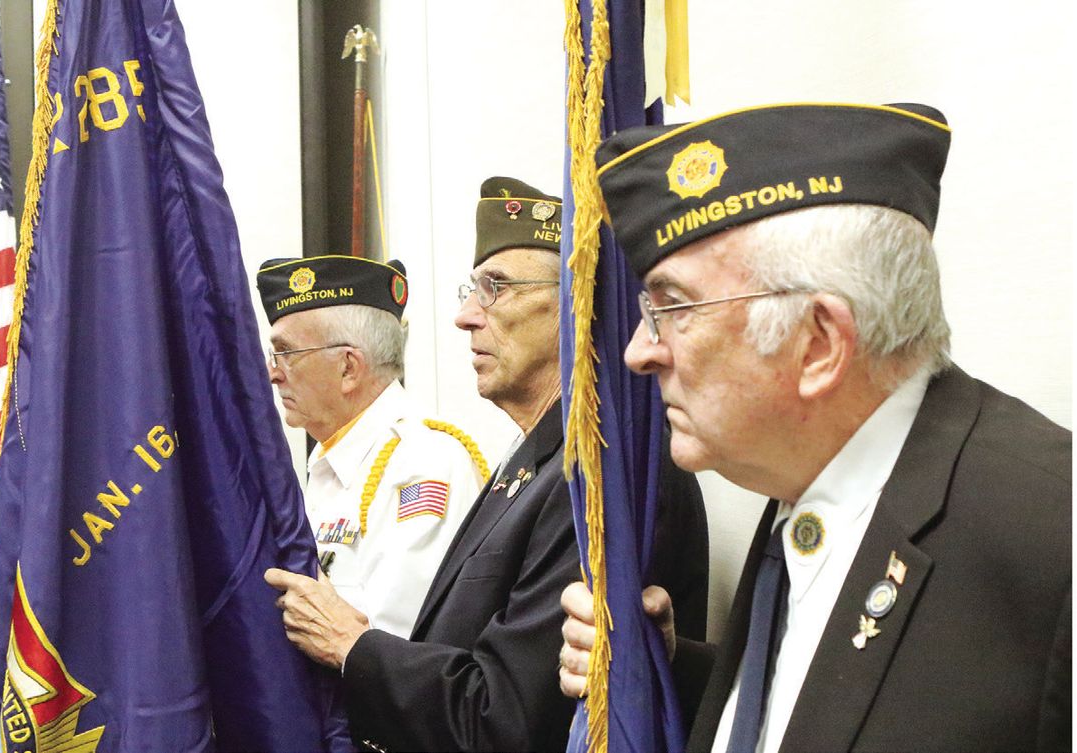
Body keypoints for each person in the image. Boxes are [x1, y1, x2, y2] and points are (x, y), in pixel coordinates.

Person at [558, 103, 1071, 753]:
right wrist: (664, 670)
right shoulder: (809, 479)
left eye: (673, 307)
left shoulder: (1053, 541)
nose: (638, 351)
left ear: (820, 344)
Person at [266, 177, 708, 752]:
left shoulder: (597, 475)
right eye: (470, 290)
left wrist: (354, 645)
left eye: (496, 288)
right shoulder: (533, 462)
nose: (466, 317)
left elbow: (507, 722)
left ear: (576, 302)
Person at [256, 255, 486, 639]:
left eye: (286, 354)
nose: (274, 373)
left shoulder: (423, 462)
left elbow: (398, 643)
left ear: (348, 367)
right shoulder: (334, 463)